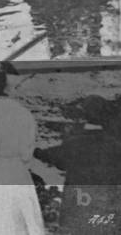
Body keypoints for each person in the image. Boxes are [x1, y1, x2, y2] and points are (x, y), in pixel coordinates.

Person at [34, 94, 121, 235]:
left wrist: (35, 151)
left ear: (85, 114)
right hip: (106, 208)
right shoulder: (116, 145)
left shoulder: (74, 143)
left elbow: (54, 158)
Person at [0, 63, 44, 235]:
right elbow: (28, 148)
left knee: (1, 222)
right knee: (23, 221)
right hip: (20, 172)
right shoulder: (22, 111)